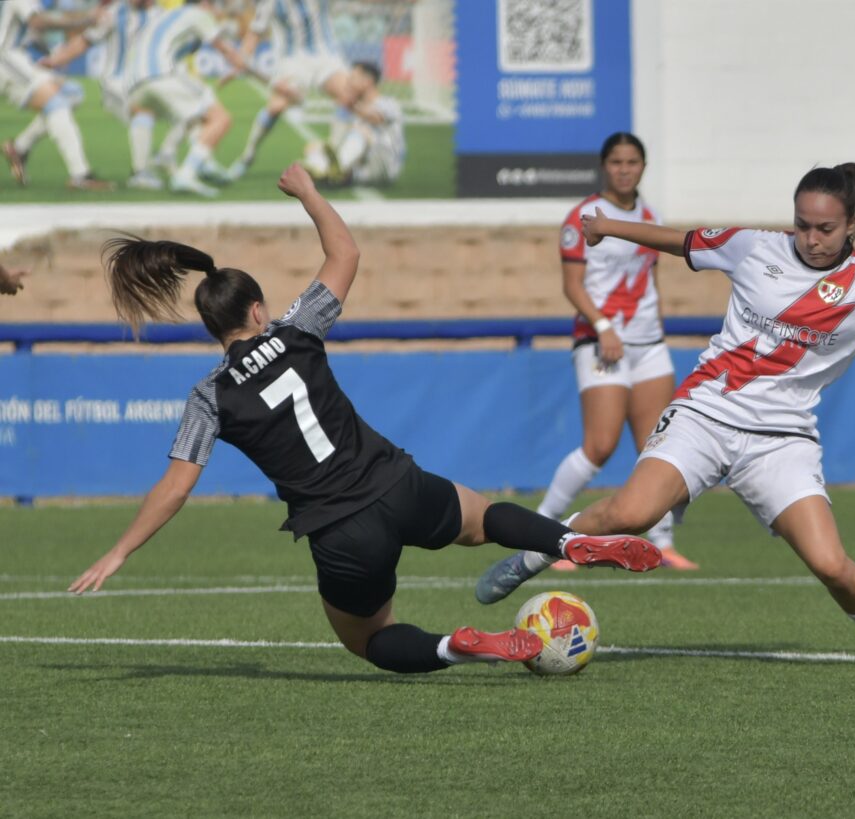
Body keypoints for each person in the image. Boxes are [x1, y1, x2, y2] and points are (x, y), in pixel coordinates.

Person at [68, 163, 662, 675]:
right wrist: (306, 192)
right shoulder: (296, 330)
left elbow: (175, 487)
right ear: (258, 309)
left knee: (368, 639)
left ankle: (455, 647)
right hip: (396, 482)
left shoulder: (209, 396)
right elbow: (345, 252)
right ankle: (570, 539)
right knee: (484, 520)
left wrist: (118, 552)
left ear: (212, 328)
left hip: (341, 531)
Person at [477, 160, 855, 667]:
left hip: (781, 439)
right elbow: (682, 242)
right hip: (706, 414)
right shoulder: (752, 246)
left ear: (851, 223)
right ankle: (530, 558)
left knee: (831, 565)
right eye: (803, 224)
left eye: (825, 229)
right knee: (630, 514)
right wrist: (609, 227)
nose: (811, 238)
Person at [534, 132, 697, 572]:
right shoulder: (583, 216)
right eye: (617, 162)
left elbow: (651, 280)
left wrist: (656, 327)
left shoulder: (651, 216)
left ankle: (663, 544)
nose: (624, 169)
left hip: (648, 345)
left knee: (657, 448)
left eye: (632, 162)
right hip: (601, 341)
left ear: (643, 167)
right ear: (604, 166)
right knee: (600, 446)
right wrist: (604, 326)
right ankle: (544, 531)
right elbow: (572, 285)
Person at [122, 0, 263, 197]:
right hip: (160, 74)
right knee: (220, 119)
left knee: (199, 112)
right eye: (215, 5)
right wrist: (263, 77)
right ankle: (186, 174)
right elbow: (226, 49)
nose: (217, 11)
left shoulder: (166, 15)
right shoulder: (199, 14)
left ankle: (196, 161)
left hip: (133, 84)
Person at [39, 0, 181, 190]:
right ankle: (140, 173)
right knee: (142, 110)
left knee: (191, 112)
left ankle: (168, 155)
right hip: (116, 84)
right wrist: (57, 59)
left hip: (148, 83)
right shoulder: (114, 13)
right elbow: (85, 41)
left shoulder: (163, 16)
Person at [225, 0, 362, 182]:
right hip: (293, 60)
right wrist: (240, 61)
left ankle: (334, 156)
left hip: (325, 55)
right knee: (276, 108)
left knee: (349, 97)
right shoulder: (271, 3)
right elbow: (255, 33)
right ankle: (247, 156)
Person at [0, 0, 113, 190]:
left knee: (72, 93)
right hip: (6, 60)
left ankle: (19, 148)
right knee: (56, 103)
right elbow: (37, 23)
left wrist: (51, 55)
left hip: (16, 58)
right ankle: (80, 175)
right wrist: (85, 20)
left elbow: (32, 31)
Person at [303, 62, 405, 188]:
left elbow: (376, 118)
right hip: (362, 168)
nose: (348, 83)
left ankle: (331, 169)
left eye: (353, 79)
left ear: (368, 81)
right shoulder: (352, 110)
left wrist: (351, 106)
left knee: (360, 131)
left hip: (383, 167)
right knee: (314, 147)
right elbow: (335, 142)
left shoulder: (389, 104)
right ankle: (328, 172)